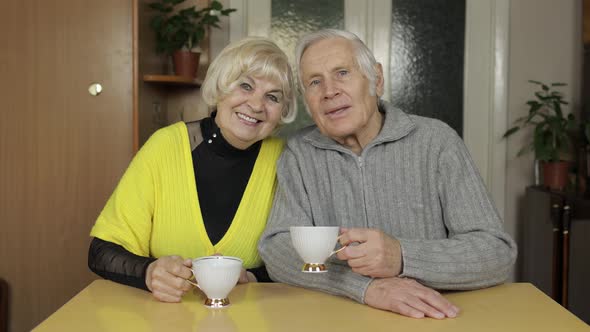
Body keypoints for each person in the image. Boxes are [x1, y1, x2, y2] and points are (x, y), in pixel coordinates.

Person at [258, 29, 517, 319]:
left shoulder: (436, 141)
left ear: (377, 79)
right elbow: (278, 250)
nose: (329, 91)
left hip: (432, 319)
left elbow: (495, 252)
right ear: (307, 100)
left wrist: (402, 257)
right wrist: (364, 287)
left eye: (342, 73)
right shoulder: (300, 154)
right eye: (314, 82)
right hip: (336, 320)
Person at [88, 37, 296, 303]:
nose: (256, 105)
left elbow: (303, 261)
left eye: (273, 97)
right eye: (245, 85)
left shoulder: (286, 161)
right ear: (220, 87)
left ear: (282, 112)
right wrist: (149, 272)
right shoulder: (165, 146)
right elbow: (101, 251)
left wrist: (252, 277)